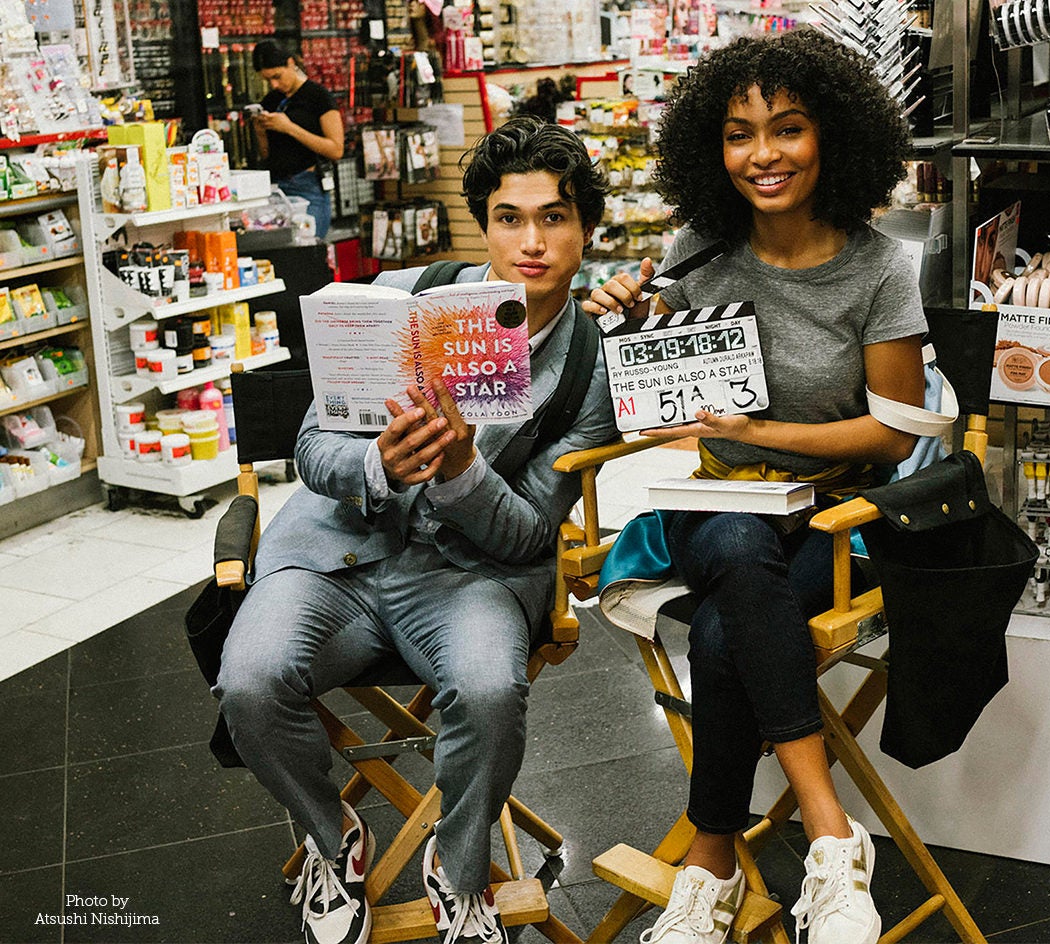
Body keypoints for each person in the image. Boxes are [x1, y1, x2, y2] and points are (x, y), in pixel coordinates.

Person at [216, 116, 620, 944]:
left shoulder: (588, 369)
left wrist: (462, 472)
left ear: (587, 230)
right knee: (249, 681)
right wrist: (380, 468)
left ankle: (459, 870)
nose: (532, 241)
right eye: (510, 217)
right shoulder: (400, 296)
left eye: (555, 217)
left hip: (468, 577)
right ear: (484, 222)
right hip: (334, 556)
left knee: (489, 690)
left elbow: (526, 535)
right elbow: (310, 446)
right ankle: (335, 841)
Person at [584, 29, 927, 944]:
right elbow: (656, 383)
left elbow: (894, 435)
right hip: (718, 506)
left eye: (787, 129)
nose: (762, 155)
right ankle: (829, 837)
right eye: (738, 134)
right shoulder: (699, 250)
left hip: (836, 519)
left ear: (834, 138)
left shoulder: (881, 269)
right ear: (712, 148)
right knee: (734, 546)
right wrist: (630, 320)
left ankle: (709, 858)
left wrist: (759, 434)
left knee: (728, 627)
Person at [251, 40, 345, 239]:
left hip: (307, 185)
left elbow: (336, 149)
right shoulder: (271, 100)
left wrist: (290, 128)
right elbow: (267, 153)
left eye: (277, 76)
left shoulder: (318, 97)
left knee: (309, 250)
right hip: (276, 187)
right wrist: (260, 131)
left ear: (290, 63)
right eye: (268, 80)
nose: (275, 85)